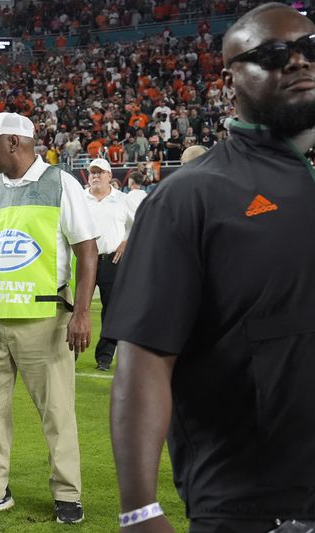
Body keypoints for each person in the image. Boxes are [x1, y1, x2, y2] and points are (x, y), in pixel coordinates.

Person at [105, 5, 315, 532]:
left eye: (310, 49)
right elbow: (145, 355)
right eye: (272, 55)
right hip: (256, 506)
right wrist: (139, 509)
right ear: (230, 78)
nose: (297, 63)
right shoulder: (191, 195)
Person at [0, 112, 98, 523]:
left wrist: (81, 313)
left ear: (13, 142)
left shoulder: (61, 183)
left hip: (42, 318)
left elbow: (86, 250)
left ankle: (67, 495)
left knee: (56, 411)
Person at [83, 158, 135, 371]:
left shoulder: (122, 199)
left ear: (109, 175)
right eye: (92, 172)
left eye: (100, 172)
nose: (95, 176)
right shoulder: (79, 198)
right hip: (84, 259)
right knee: (78, 307)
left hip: (111, 260)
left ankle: (104, 357)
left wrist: (125, 242)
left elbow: (138, 224)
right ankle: (70, 353)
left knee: (111, 310)